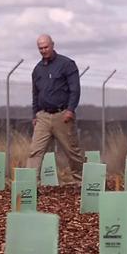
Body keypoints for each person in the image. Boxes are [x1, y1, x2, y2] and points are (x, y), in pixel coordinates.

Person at [26, 34, 84, 180]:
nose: (44, 51)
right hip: (43, 116)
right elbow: (35, 93)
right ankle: (29, 185)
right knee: (35, 151)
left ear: (52, 45)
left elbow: (75, 89)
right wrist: (35, 114)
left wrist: (70, 109)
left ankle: (82, 182)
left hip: (62, 115)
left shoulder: (66, 64)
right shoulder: (37, 69)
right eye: (40, 48)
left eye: (46, 47)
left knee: (72, 152)